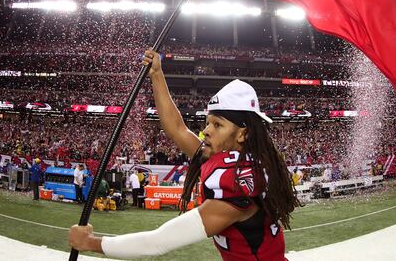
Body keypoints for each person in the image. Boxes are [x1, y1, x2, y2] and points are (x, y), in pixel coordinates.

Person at [69, 49, 300, 260]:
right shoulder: (229, 158)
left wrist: (92, 243)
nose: (206, 130)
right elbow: (177, 129)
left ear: (242, 134)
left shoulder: (237, 187)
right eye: (207, 122)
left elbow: (156, 243)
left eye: (218, 125)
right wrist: (157, 75)